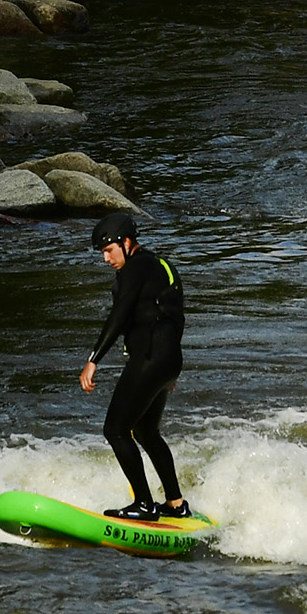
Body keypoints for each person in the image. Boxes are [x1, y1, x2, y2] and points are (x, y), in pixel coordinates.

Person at [78, 210, 189, 521]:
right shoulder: (161, 265)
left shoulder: (135, 267)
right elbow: (175, 316)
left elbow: (119, 315)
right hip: (166, 359)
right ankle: (175, 503)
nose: (106, 259)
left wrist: (92, 361)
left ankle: (143, 504)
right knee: (145, 430)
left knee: (115, 429)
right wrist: (171, 368)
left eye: (109, 250)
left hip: (149, 358)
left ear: (126, 242)